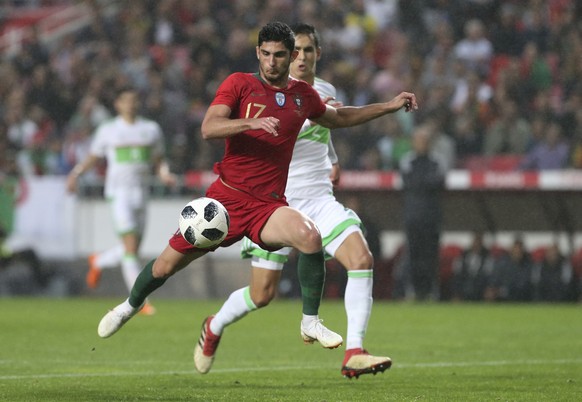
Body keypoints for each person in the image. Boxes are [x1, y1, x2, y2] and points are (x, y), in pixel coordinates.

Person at [96, 22, 417, 375]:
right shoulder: (239, 84)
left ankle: (310, 322)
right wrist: (249, 124)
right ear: (258, 53)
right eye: (266, 54)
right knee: (165, 267)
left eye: (280, 55)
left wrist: (387, 106)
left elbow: (338, 118)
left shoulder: (303, 95)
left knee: (309, 237)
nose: (272, 62)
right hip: (226, 203)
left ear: (291, 55)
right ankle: (129, 305)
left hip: (269, 206)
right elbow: (209, 128)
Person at [224, 23, 391, 379]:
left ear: (318, 53)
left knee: (361, 258)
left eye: (307, 51)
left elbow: (326, 126)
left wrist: (332, 159)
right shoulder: (273, 94)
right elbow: (279, 130)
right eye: (294, 51)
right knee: (262, 294)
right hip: (275, 203)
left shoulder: (324, 90)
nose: (300, 58)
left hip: (317, 197)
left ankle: (355, 352)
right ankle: (214, 327)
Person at [66, 86, 176, 315]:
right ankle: (140, 301)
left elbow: (158, 158)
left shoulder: (151, 129)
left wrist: (164, 174)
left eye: (134, 100)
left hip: (142, 193)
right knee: (129, 249)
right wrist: (76, 174)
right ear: (117, 104)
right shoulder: (108, 130)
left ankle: (99, 261)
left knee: (132, 251)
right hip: (119, 194)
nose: (131, 105)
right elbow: (94, 157)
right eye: (126, 101)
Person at [399, 124, 446, 301]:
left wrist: (421, 183)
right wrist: (426, 182)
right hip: (412, 217)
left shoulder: (437, 161)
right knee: (412, 255)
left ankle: (431, 291)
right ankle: (412, 291)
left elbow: (439, 182)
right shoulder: (407, 160)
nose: (422, 144)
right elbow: (409, 183)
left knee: (431, 256)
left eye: (425, 140)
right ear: (413, 142)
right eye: (419, 140)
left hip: (432, 217)